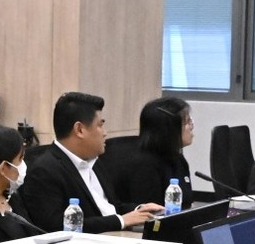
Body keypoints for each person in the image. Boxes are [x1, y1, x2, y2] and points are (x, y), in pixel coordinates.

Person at [16, 92, 164, 234]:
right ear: (80, 130)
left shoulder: (94, 161)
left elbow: (110, 208)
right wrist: (121, 221)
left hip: (116, 237)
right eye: (100, 125)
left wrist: (140, 210)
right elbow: (55, 226)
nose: (105, 133)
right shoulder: (45, 170)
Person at [101, 96, 194, 210]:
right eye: (187, 122)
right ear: (169, 128)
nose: (191, 126)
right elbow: (148, 212)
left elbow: (186, 202)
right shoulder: (144, 165)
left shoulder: (178, 159)